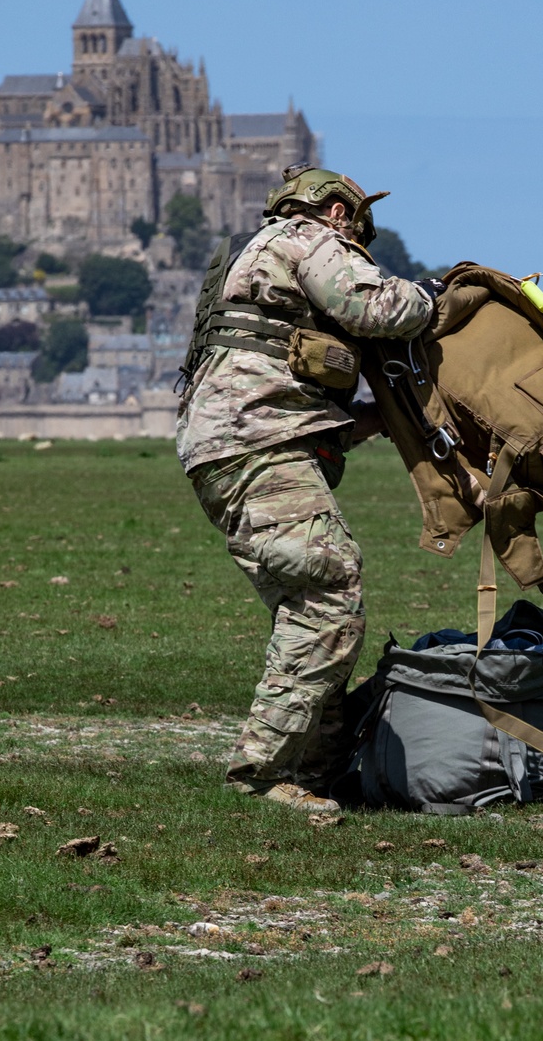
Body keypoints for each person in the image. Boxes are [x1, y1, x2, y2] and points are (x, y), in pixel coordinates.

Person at [176, 165, 437, 814]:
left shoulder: (261, 261)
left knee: (312, 607)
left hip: (235, 445)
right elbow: (371, 306)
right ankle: (263, 774)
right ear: (339, 214)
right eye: (357, 235)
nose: (355, 248)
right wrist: (431, 297)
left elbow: (283, 384)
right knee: (329, 596)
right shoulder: (305, 238)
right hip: (255, 443)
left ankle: (318, 768)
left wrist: (375, 421)